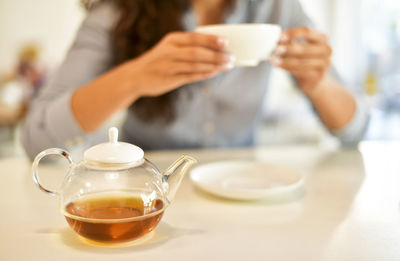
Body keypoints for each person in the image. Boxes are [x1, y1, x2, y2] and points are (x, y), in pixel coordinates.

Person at [22, 0, 369, 159]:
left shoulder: (276, 8)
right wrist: (135, 77)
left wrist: (318, 83)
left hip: (244, 186)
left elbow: (356, 130)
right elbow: (37, 140)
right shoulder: (117, 11)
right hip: (150, 189)